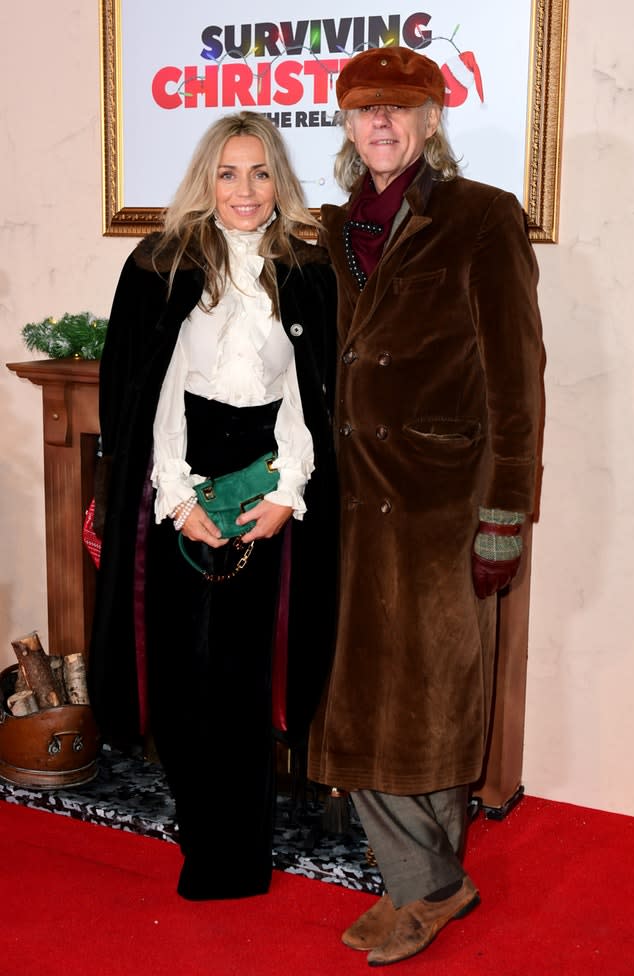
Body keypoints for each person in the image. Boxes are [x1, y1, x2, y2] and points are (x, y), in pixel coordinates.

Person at [308, 47, 545, 965]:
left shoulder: (481, 218)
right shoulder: (331, 230)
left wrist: (504, 514)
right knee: (364, 697)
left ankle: (429, 885)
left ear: (433, 120)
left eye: (400, 110)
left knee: (432, 696)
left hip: (444, 503)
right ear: (347, 122)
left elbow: (517, 378)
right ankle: (429, 880)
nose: (382, 125)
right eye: (365, 110)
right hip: (351, 505)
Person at [88, 111, 338, 901]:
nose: (245, 189)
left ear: (280, 182)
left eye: (260, 172)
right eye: (228, 173)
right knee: (181, 674)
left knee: (242, 678)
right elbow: (149, 396)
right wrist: (178, 495)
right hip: (180, 488)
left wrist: (288, 494)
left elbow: (307, 399)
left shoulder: (306, 270)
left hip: (264, 490)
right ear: (206, 178)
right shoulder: (159, 266)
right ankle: (201, 837)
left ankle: (242, 855)